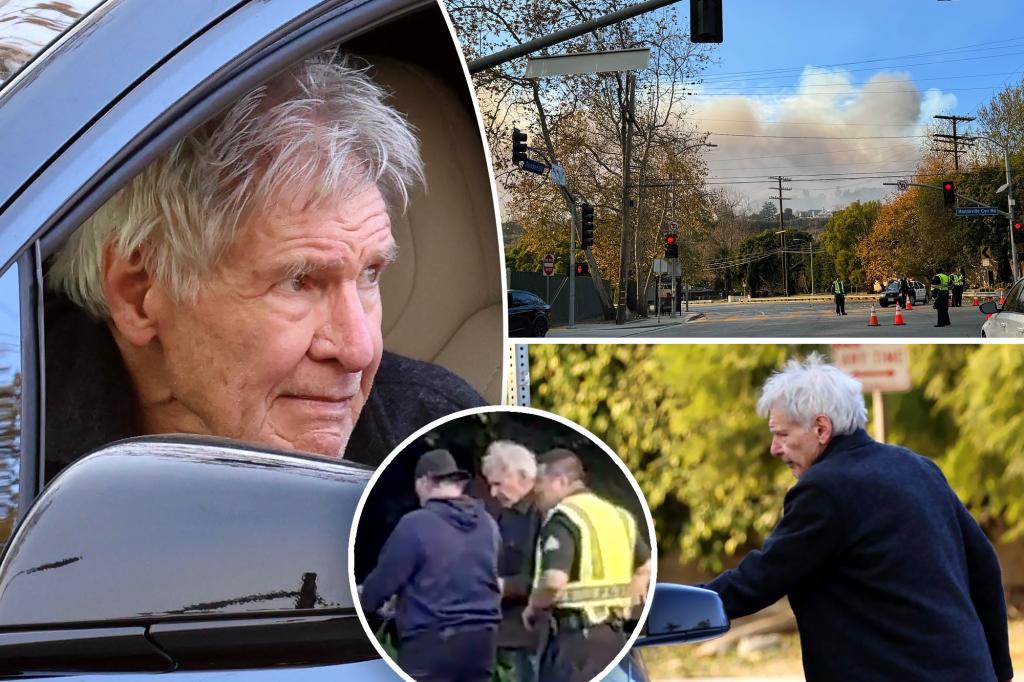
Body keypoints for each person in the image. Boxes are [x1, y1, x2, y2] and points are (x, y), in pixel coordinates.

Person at [42, 49, 485, 479]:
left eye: (369, 274)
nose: (360, 349)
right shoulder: (18, 441)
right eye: (299, 281)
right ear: (139, 294)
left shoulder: (439, 441)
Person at [704, 355, 1013, 682]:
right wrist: (1000, 671)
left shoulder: (823, 490)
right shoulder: (918, 467)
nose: (774, 448)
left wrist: (665, 605)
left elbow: (757, 581)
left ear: (821, 428)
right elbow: (984, 564)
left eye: (781, 434)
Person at [360, 449, 502, 682]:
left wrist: (366, 604)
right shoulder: (488, 524)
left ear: (425, 482)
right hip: (482, 644)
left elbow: (384, 583)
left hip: (430, 644)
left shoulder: (416, 524)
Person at [525, 449, 652, 682]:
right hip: (616, 641)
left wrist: (532, 608)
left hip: (576, 647)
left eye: (539, 482)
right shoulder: (619, 516)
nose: (535, 490)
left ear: (560, 481)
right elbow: (646, 567)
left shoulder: (563, 519)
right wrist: (630, 600)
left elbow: (553, 582)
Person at [482, 441, 543, 682]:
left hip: (530, 641)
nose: (493, 493)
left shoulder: (544, 513)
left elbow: (548, 580)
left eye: (498, 484)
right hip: (504, 636)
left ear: (523, 475)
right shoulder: (508, 513)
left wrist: (500, 586)